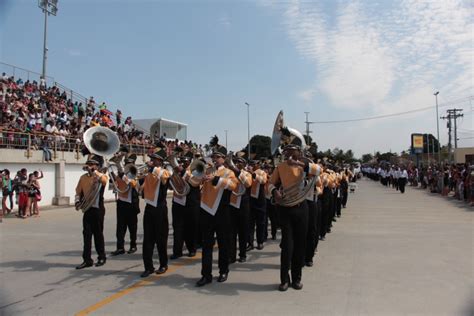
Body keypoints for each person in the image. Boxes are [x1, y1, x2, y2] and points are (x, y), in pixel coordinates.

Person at [268, 143, 320, 291]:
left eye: (292, 151)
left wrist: (298, 163)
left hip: (302, 208)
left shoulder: (304, 165)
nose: (289, 154)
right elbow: (270, 183)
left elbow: (318, 172)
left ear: (299, 152)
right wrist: (274, 192)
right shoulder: (280, 167)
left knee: (299, 245)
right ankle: (284, 279)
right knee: (287, 246)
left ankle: (297, 278)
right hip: (285, 209)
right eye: (286, 151)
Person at [196, 141, 238, 287]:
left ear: (224, 158)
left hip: (222, 212)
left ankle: (223, 270)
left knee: (223, 243)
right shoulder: (207, 170)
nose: (214, 159)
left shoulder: (229, 172)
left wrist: (215, 179)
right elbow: (193, 182)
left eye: (217, 157)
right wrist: (199, 177)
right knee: (206, 245)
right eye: (213, 156)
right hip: (207, 210)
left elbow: (233, 185)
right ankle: (206, 275)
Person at [140, 148, 171, 278]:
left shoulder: (164, 171)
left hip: (160, 208)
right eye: (151, 159)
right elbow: (142, 189)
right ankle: (148, 267)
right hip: (149, 207)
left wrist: (152, 169)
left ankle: (163, 264)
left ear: (160, 161)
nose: (151, 161)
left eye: (154, 159)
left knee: (161, 238)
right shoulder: (149, 173)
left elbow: (164, 178)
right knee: (147, 239)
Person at [75, 155, 108, 269]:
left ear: (97, 166)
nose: (89, 166)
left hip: (98, 209)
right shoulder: (83, 177)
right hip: (88, 209)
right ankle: (87, 259)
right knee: (87, 235)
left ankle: (101, 257)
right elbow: (78, 191)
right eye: (88, 164)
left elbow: (104, 181)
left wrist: (95, 172)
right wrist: (77, 201)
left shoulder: (101, 176)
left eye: (92, 165)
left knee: (98, 234)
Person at [171, 153, 200, 259]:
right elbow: (171, 185)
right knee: (177, 228)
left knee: (190, 228)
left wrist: (181, 171)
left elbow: (194, 182)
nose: (183, 163)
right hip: (178, 202)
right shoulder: (176, 170)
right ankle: (177, 251)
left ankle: (192, 249)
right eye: (181, 161)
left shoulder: (195, 170)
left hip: (191, 204)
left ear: (190, 161)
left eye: (185, 161)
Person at [111, 154, 140, 256]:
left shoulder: (136, 173)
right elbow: (113, 186)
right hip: (121, 202)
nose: (128, 165)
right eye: (126, 163)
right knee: (120, 227)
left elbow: (134, 185)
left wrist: (123, 175)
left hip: (132, 204)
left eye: (130, 163)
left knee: (132, 227)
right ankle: (120, 247)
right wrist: (113, 175)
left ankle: (133, 245)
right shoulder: (121, 174)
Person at [228, 154, 252, 263]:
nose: (237, 164)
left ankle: (242, 254)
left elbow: (247, 184)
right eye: (235, 162)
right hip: (232, 205)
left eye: (240, 162)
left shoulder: (247, 174)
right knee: (231, 233)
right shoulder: (230, 174)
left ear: (244, 164)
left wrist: (237, 172)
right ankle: (231, 255)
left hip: (243, 205)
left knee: (243, 232)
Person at [247, 160, 268, 251]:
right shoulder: (247, 172)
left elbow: (263, 181)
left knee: (261, 223)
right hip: (250, 199)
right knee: (250, 223)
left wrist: (253, 174)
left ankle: (260, 242)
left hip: (260, 200)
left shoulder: (262, 172)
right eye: (251, 164)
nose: (252, 165)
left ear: (258, 165)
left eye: (254, 164)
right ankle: (250, 243)